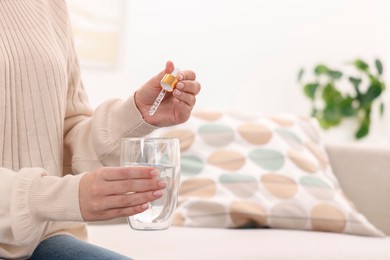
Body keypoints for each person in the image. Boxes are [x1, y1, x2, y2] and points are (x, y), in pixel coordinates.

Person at [0, 0, 201, 259]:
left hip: (41, 241)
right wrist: (62, 197)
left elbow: (63, 135)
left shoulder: (49, 4)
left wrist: (136, 114)